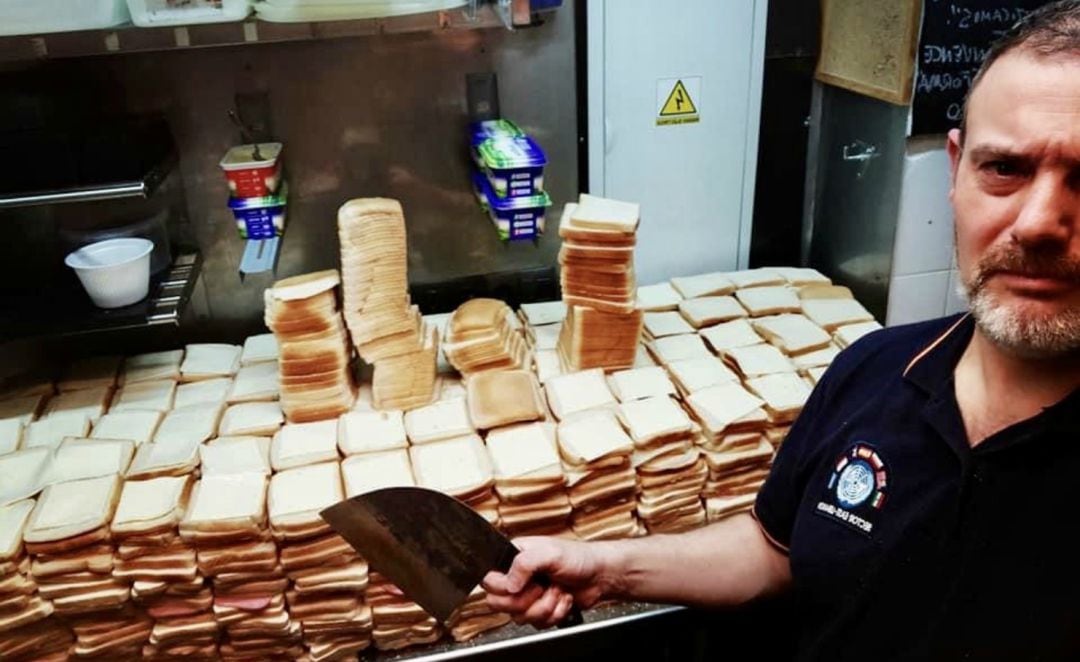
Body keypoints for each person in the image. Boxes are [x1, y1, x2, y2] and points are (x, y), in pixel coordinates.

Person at [483, 2, 1080, 659]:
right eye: (1006, 169)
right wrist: (603, 566)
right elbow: (775, 548)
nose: (1038, 223)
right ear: (957, 168)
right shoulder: (878, 369)